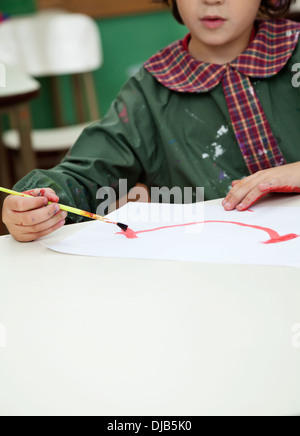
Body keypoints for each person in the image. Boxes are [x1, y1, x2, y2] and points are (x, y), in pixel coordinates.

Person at [2, 0, 300, 242]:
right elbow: (84, 176)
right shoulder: (148, 94)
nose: (212, 0)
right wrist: (36, 204)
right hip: (213, 277)